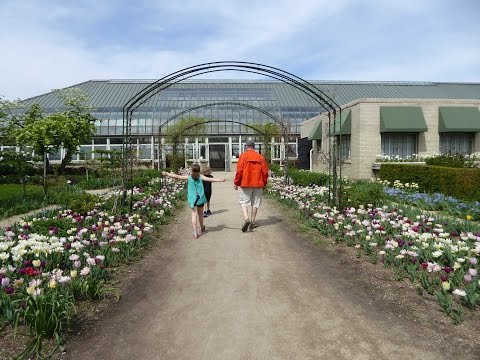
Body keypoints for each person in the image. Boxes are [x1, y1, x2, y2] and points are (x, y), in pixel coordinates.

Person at [162, 164, 225, 239]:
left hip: (192, 199)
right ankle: (202, 227)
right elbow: (209, 179)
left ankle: (195, 233)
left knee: (194, 215)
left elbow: (178, 177)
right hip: (200, 198)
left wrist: (167, 174)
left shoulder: (189, 178)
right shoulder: (200, 177)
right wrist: (220, 180)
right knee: (200, 214)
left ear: (192, 171)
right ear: (199, 171)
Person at [233, 139, 269, 232]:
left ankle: (246, 219)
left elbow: (239, 171)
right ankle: (252, 222)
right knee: (255, 203)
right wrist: (264, 183)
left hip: (245, 183)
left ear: (246, 146)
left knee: (244, 202)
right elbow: (265, 172)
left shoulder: (243, 156)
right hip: (258, 183)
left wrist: (236, 182)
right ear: (254, 146)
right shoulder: (260, 157)